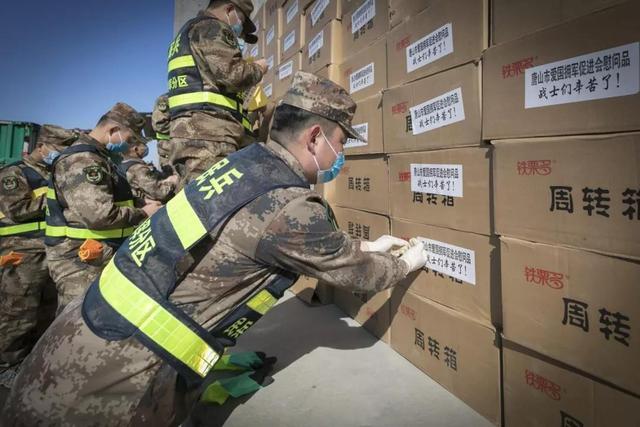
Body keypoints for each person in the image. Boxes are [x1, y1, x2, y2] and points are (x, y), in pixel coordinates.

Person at [2, 72, 428, 425]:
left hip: (84, 331)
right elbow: (357, 273)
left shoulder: (240, 166)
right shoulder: (290, 203)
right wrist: (405, 261)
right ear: (316, 137)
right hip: (114, 377)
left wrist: (364, 244)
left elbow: (267, 238)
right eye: (341, 141)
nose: (342, 154)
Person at [45, 103, 162, 312]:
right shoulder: (82, 160)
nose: (129, 146)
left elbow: (109, 196)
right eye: (129, 139)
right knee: (78, 325)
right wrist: (143, 213)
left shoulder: (100, 157)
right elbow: (99, 215)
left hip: (98, 254)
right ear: (113, 131)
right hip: (80, 262)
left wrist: (140, 202)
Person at [0, 125, 79, 388]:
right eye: (57, 150)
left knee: (45, 311)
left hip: (48, 251)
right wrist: (60, 198)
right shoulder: (14, 173)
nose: (59, 156)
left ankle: (30, 364)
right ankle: (5, 367)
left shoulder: (52, 174)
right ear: (42, 146)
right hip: (20, 254)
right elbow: (17, 209)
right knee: (17, 313)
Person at [167, 0, 268, 188]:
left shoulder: (186, 34)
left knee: (195, 200)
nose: (238, 31)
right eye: (241, 21)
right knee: (213, 206)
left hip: (189, 134)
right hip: (210, 136)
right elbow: (232, 76)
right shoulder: (212, 27)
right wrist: (258, 68)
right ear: (229, 9)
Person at [118, 136, 179, 204]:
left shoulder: (127, 166)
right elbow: (160, 192)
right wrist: (173, 181)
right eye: (142, 143)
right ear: (136, 149)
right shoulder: (138, 169)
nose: (146, 145)